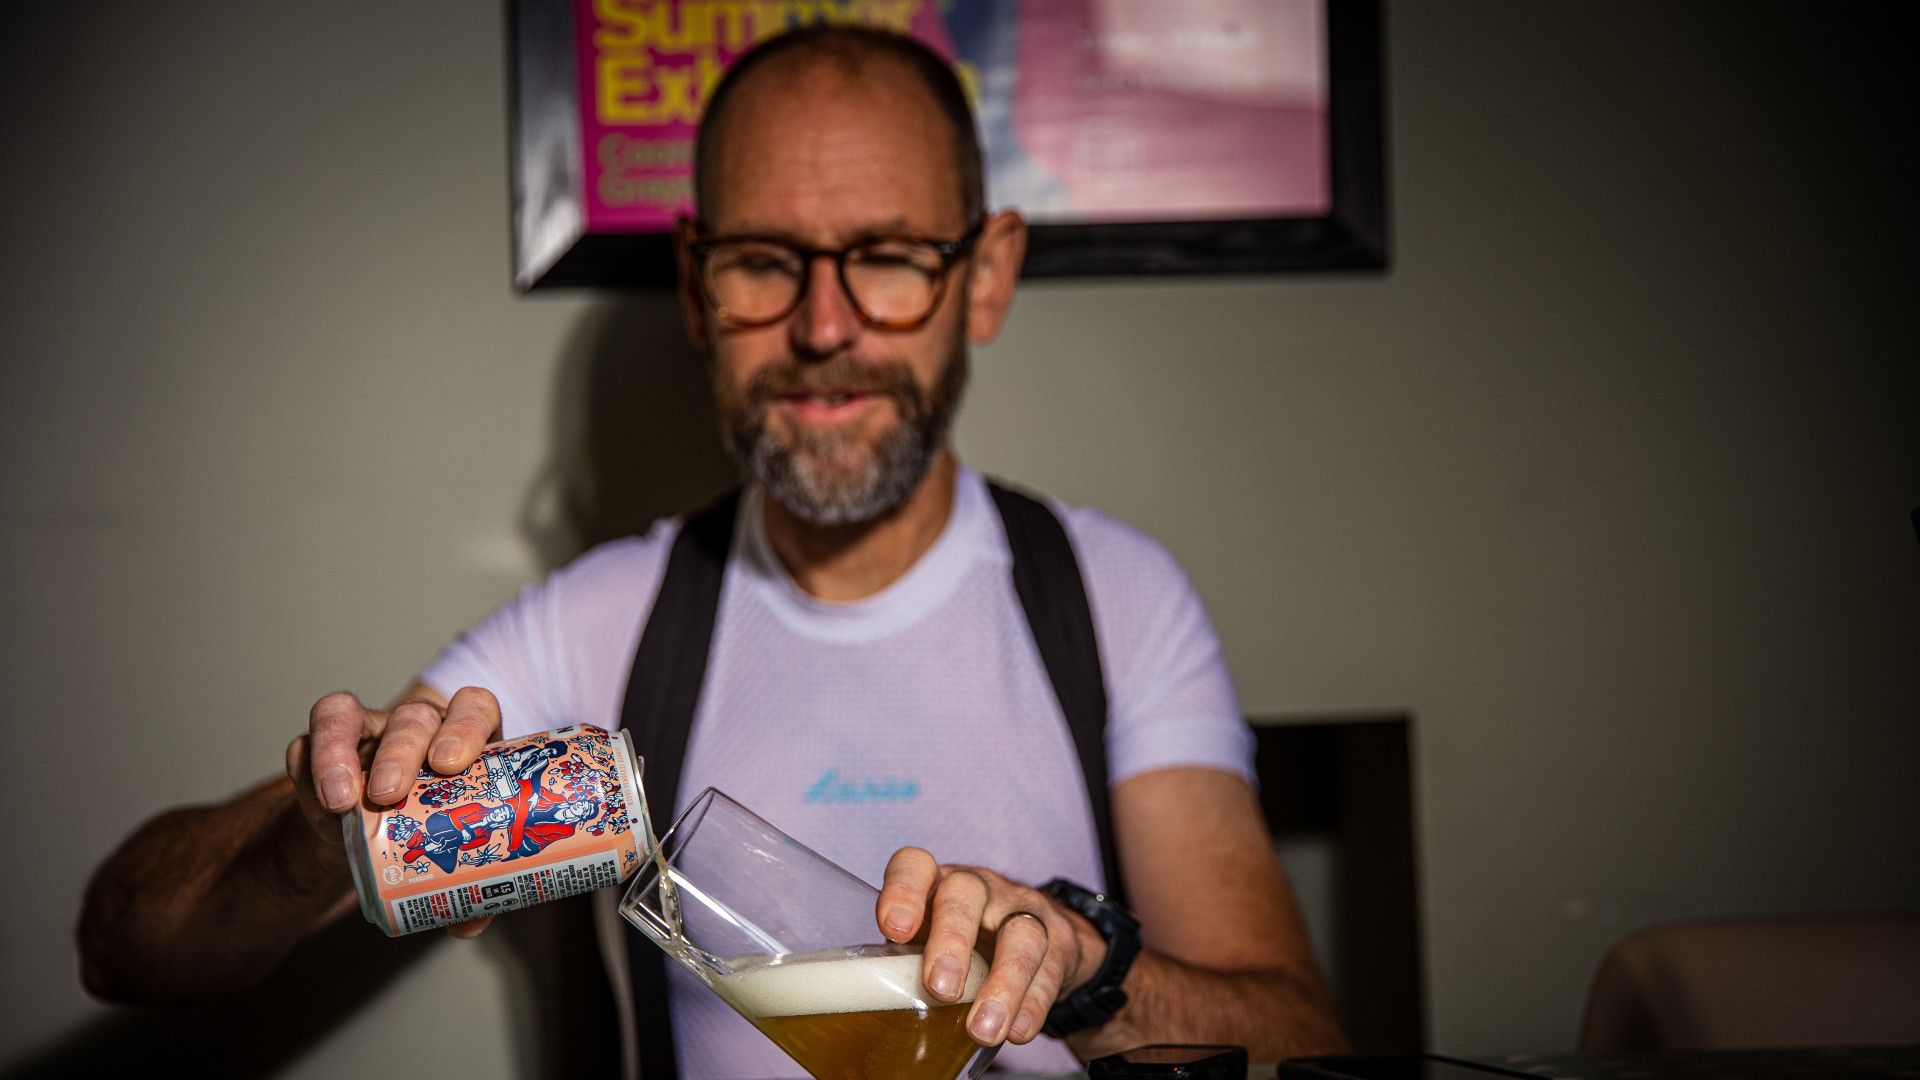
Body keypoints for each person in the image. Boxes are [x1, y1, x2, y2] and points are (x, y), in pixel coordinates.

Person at [78, 24, 1348, 1077]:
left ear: (988, 275)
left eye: (891, 257)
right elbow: (127, 947)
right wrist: (316, 837)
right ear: (697, 287)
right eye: (762, 263)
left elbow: (1301, 1043)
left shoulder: (1116, 598)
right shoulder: (603, 625)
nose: (824, 326)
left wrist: (1087, 968)